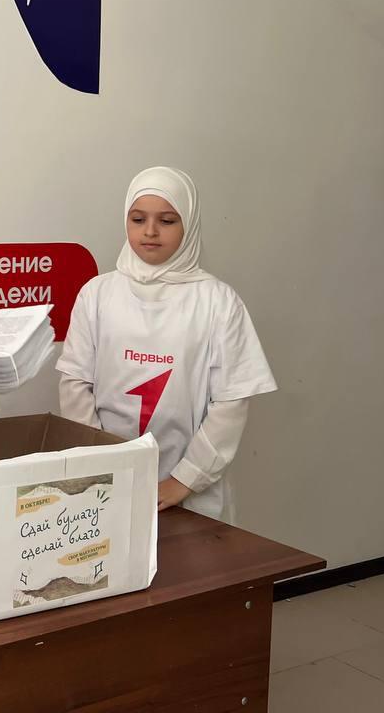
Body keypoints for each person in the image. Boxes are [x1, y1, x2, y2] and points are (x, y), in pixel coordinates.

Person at [55, 166, 276, 521]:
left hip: (191, 493)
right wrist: (102, 464)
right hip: (103, 483)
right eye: (138, 219)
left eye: (168, 220)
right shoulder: (97, 294)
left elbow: (231, 402)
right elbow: (75, 384)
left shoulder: (218, 301)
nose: (150, 231)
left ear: (189, 223)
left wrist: (185, 480)